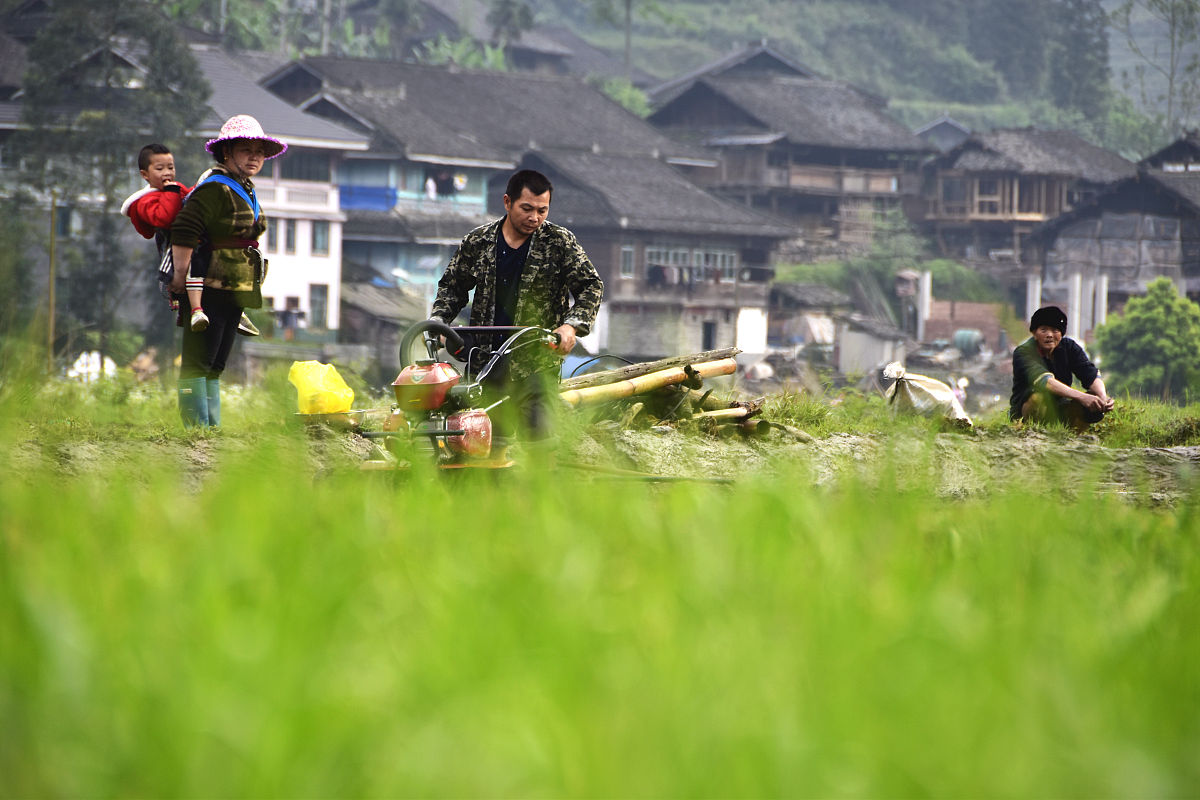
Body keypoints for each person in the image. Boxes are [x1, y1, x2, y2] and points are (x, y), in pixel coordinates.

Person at [429, 168, 604, 441]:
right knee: (483, 441)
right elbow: (453, 285)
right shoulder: (479, 241)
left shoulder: (559, 242)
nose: (534, 217)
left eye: (542, 210)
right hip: (485, 361)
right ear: (507, 202)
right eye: (527, 208)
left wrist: (571, 326)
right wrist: (440, 321)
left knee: (538, 442)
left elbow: (591, 285)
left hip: (535, 361)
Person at [169, 114, 286, 427]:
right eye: (246, 149)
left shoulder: (242, 188)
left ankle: (210, 430)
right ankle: (195, 428)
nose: (254, 156)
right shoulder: (214, 189)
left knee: (217, 362)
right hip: (207, 284)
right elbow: (184, 229)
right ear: (226, 153)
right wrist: (180, 278)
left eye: (259, 151)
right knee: (198, 360)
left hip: (236, 287)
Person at [121, 142, 259, 337]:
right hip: (174, 252)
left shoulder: (174, 190)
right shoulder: (145, 201)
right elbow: (167, 217)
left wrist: (206, 185)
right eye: (159, 169)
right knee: (194, 268)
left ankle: (236, 312)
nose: (167, 173)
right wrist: (171, 192)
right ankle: (195, 311)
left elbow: (190, 200)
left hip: (194, 245)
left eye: (170, 167)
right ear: (145, 174)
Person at [1010, 305, 1114, 430]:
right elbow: (1046, 382)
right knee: (1038, 398)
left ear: (1061, 333)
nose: (1049, 335)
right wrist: (1082, 397)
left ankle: (1073, 438)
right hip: (1026, 409)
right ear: (1034, 333)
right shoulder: (1024, 352)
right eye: (1044, 330)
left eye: (1055, 330)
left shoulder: (1069, 347)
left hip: (1060, 405)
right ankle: (1032, 435)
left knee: (1092, 400)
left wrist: (1103, 397)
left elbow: (1090, 374)